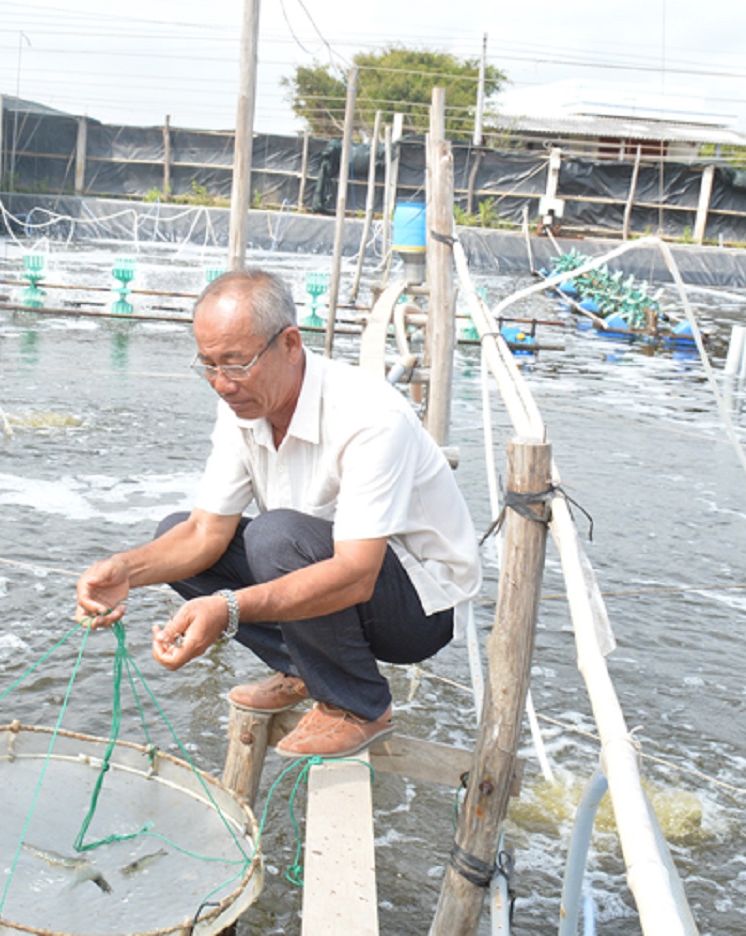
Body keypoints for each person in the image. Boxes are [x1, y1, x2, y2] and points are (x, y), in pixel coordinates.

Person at [75, 267, 481, 758]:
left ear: (290, 344)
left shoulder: (370, 417)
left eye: (236, 363)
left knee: (276, 536)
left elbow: (355, 575)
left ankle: (359, 707)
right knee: (176, 533)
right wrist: (126, 570)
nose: (222, 384)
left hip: (417, 608)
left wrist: (227, 608)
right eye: (208, 365)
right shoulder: (243, 407)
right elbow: (204, 533)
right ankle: (305, 672)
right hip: (325, 574)